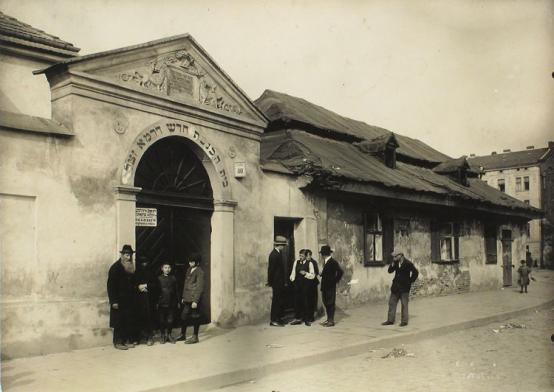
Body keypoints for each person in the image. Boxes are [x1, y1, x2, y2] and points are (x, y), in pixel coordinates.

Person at [107, 244, 137, 350]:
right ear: (122, 255)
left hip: (128, 300)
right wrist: (113, 301)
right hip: (118, 300)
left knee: (127, 320)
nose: (129, 257)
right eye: (126, 255)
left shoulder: (131, 267)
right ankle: (118, 342)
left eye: (130, 255)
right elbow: (110, 286)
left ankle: (125, 340)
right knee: (118, 321)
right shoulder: (115, 268)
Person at [382, 250, 419, 327]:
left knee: (404, 304)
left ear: (401, 255)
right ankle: (390, 320)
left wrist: (410, 281)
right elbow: (390, 271)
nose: (394, 258)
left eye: (395, 256)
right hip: (395, 287)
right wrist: (392, 263)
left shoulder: (408, 263)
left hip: (404, 287)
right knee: (392, 303)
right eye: (394, 256)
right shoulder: (395, 263)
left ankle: (404, 321)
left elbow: (415, 272)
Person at [180, 254, 205, 344]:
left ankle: (195, 336)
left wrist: (196, 301)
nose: (190, 263)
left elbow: (200, 287)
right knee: (184, 315)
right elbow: (185, 284)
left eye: (192, 261)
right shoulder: (188, 269)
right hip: (187, 297)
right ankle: (183, 334)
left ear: (197, 262)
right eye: (189, 261)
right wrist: (183, 296)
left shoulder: (200, 271)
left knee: (195, 316)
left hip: (194, 298)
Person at [289, 249, 316, 326]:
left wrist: (305, 273)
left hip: (306, 286)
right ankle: (298, 318)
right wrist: (292, 279)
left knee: (306, 301)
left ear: (305, 256)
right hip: (297, 285)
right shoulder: (296, 262)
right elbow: (293, 272)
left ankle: (307, 319)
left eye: (302, 256)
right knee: (297, 301)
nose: (300, 257)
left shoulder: (309, 263)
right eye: (300, 255)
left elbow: (313, 275)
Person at [134, 256, 156, 346]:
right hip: (138, 299)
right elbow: (133, 285)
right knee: (138, 317)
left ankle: (149, 337)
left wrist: (146, 285)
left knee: (149, 317)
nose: (144, 264)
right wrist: (138, 287)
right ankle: (137, 337)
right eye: (142, 263)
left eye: (145, 262)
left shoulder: (151, 273)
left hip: (149, 299)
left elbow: (155, 285)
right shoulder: (136, 273)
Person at [319, 245, 343, 327]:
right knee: (326, 302)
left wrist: (334, 281)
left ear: (324, 254)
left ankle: (331, 321)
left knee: (330, 303)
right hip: (325, 286)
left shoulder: (333, 262)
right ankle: (328, 319)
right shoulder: (326, 261)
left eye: (322, 254)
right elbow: (328, 273)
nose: (321, 255)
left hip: (330, 286)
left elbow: (340, 272)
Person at [267, 236, 287, 327]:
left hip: (279, 281)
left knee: (279, 300)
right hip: (276, 282)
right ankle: (273, 320)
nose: (284, 247)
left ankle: (278, 318)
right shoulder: (274, 254)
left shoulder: (278, 253)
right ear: (279, 245)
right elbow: (271, 270)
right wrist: (270, 281)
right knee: (276, 300)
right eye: (283, 245)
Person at [157, 262, 178, 344]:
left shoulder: (173, 278)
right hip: (161, 302)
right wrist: (157, 302)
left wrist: (177, 301)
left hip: (171, 302)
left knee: (170, 320)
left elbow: (176, 291)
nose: (167, 269)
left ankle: (169, 334)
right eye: (165, 267)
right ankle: (162, 335)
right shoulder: (159, 278)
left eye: (169, 267)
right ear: (162, 269)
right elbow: (156, 291)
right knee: (162, 320)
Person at [305, 249, 319, 324]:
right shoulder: (304, 262)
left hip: (313, 284)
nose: (308, 257)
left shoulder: (313, 262)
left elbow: (316, 272)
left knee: (312, 300)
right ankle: (307, 316)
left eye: (309, 255)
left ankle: (311, 316)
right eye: (307, 255)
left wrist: (309, 275)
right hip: (306, 284)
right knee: (307, 300)